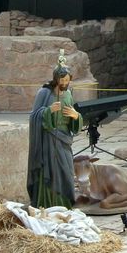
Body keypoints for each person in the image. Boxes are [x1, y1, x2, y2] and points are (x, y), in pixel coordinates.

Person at [28, 52, 83, 208]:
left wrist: (76, 116)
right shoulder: (44, 93)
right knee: (50, 173)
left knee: (66, 171)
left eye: (67, 80)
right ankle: (48, 204)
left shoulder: (68, 95)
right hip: (48, 141)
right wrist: (48, 111)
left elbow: (73, 117)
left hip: (64, 140)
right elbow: (34, 117)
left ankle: (64, 203)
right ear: (56, 79)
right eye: (62, 79)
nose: (64, 82)